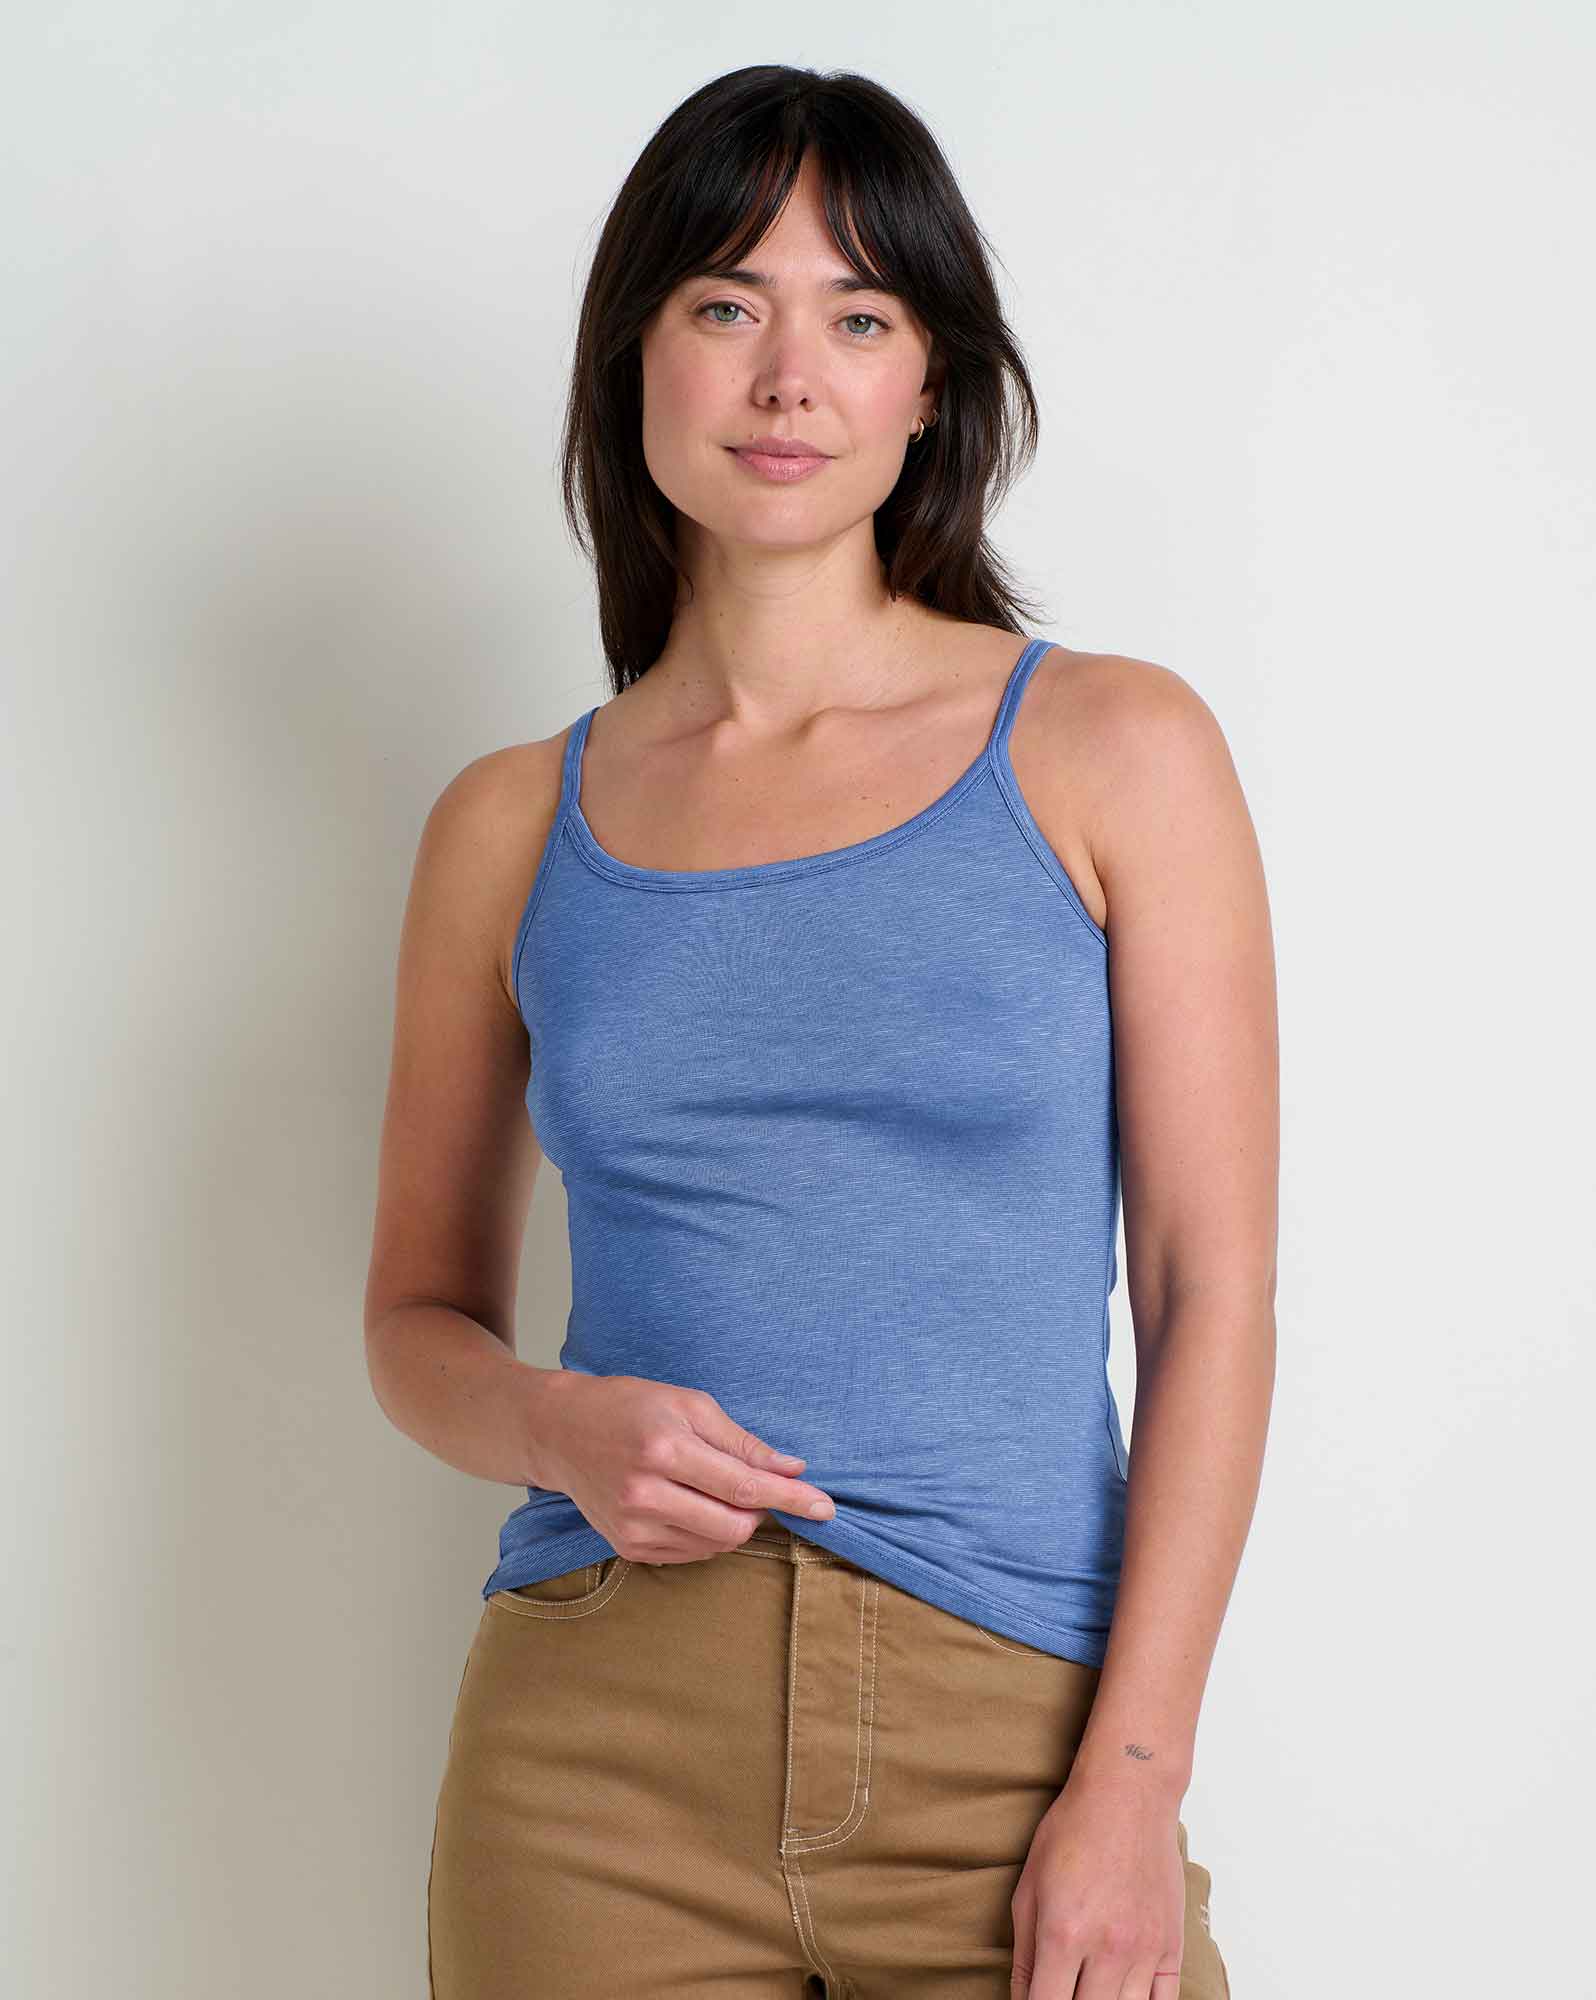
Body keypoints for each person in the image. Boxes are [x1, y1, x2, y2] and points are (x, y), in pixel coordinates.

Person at [364, 63, 1275, 2000]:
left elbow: (1212, 1294)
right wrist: (555, 1424)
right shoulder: (509, 823)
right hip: (592, 1750)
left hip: (1015, 1723)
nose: (790, 377)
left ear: (931, 382)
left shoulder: (1112, 747)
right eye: (728, 305)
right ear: (636, 356)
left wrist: (1133, 1782)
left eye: (859, 317)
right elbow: (415, 1321)